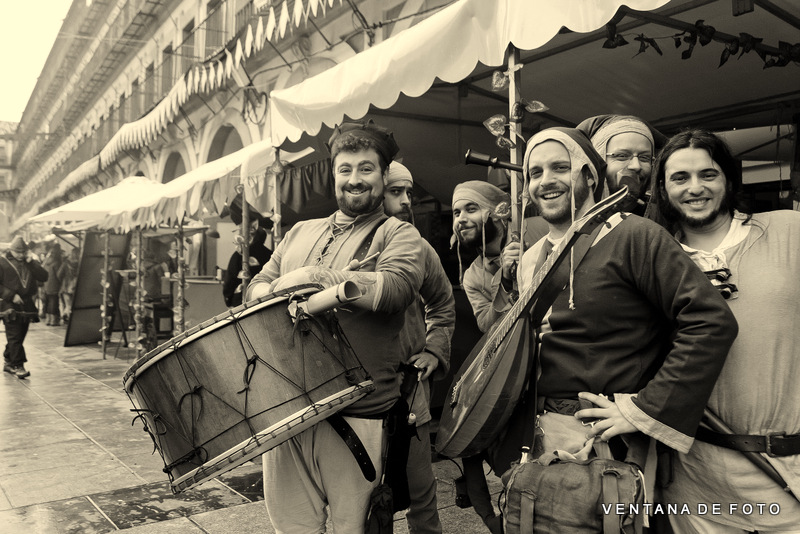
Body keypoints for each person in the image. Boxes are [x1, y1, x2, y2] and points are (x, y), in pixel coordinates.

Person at [490, 127, 737, 515]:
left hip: (607, 446)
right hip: (541, 438)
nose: (546, 181)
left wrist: (645, 408)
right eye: (535, 173)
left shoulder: (635, 235)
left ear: (590, 176)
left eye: (560, 167)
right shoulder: (531, 258)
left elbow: (710, 320)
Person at [246, 120, 426, 533]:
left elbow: (396, 288)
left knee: (355, 529)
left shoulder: (398, 233)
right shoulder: (298, 232)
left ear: (384, 174)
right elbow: (256, 287)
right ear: (334, 175)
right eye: (345, 169)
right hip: (289, 412)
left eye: (366, 168)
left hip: (360, 413)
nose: (354, 179)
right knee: (292, 528)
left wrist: (322, 279)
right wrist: (273, 291)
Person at [648, 129, 800, 532]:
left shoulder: (789, 230)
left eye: (708, 174)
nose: (695, 188)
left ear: (730, 180)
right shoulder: (652, 259)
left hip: (787, 474)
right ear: (662, 190)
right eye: (680, 178)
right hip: (696, 481)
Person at [384, 161, 455, 534]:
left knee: (421, 493)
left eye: (408, 192)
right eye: (396, 191)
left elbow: (442, 305)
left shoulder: (419, 247)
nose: (406, 201)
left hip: (409, 391)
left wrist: (432, 350)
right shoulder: (344, 246)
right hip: (358, 394)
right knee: (365, 500)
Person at [450, 180, 514, 534]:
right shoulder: (473, 274)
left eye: (471, 208)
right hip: (505, 366)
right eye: (456, 212)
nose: (460, 218)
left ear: (499, 212)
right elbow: (488, 324)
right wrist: (505, 279)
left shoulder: (531, 239)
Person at [577, 114, 666, 215]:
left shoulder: (662, 217)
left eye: (644, 157)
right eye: (622, 156)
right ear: (596, 160)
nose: (636, 166)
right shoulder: (567, 215)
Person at [1, 236, 48, 378]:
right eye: (18, 252)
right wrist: (11, 295)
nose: (20, 255)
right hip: (10, 305)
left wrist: (32, 263)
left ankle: (8, 359)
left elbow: (44, 277)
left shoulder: (30, 263)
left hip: (27, 305)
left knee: (19, 336)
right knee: (15, 336)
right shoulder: (2, 262)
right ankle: (18, 365)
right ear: (11, 250)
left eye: (23, 252)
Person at [222, 225, 272, 307]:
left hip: (242, 299)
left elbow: (230, 278)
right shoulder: (270, 255)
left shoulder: (240, 254)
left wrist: (228, 299)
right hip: (265, 299)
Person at [42, 242, 64, 326]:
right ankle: (53, 320)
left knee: (48, 301)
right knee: (54, 302)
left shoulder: (46, 261)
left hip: (46, 284)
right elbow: (59, 274)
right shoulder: (57, 262)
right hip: (54, 284)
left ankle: (48, 319)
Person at [57, 247, 79, 323]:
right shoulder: (80, 264)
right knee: (74, 305)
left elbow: (59, 275)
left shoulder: (65, 263)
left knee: (68, 305)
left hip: (66, 287)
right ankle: (69, 318)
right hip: (76, 287)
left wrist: (63, 281)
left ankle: (67, 318)